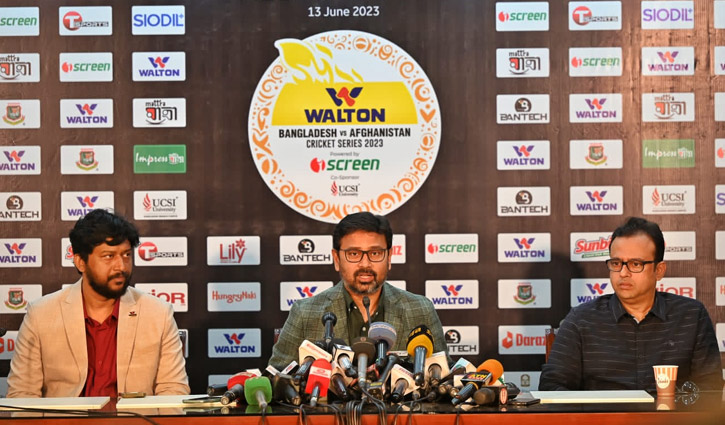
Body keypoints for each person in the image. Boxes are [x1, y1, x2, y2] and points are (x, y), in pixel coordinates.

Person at [7, 209, 189, 398]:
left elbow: (173, 390)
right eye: (108, 256)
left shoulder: (158, 313)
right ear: (80, 262)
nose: (121, 266)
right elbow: (22, 393)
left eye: (126, 255)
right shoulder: (41, 314)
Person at [540, 217, 723, 391]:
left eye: (635, 264)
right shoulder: (581, 320)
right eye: (616, 263)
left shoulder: (691, 316)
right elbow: (552, 386)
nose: (623, 273)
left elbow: (710, 389)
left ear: (659, 270)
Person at [268, 212, 448, 370]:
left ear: (389, 257)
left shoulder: (420, 309)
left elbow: (442, 376)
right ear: (336, 259)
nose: (365, 264)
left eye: (375, 253)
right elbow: (278, 377)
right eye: (354, 254)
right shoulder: (305, 313)